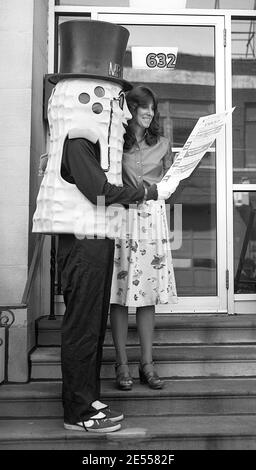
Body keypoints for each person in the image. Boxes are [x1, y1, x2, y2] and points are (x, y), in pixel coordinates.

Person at [32, 21, 173, 434]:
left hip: (96, 239)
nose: (122, 108)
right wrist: (143, 193)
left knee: (92, 326)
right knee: (81, 328)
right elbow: (97, 190)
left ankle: (89, 398)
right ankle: (78, 411)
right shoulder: (79, 138)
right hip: (82, 240)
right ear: (87, 96)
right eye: (114, 97)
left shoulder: (90, 140)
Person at [110, 85, 179, 391]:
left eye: (153, 108)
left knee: (147, 295)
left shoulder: (163, 143)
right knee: (120, 293)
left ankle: (147, 364)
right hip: (121, 218)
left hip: (153, 220)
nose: (150, 113)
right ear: (132, 109)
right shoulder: (114, 143)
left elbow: (173, 182)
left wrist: (176, 179)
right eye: (145, 107)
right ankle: (122, 363)